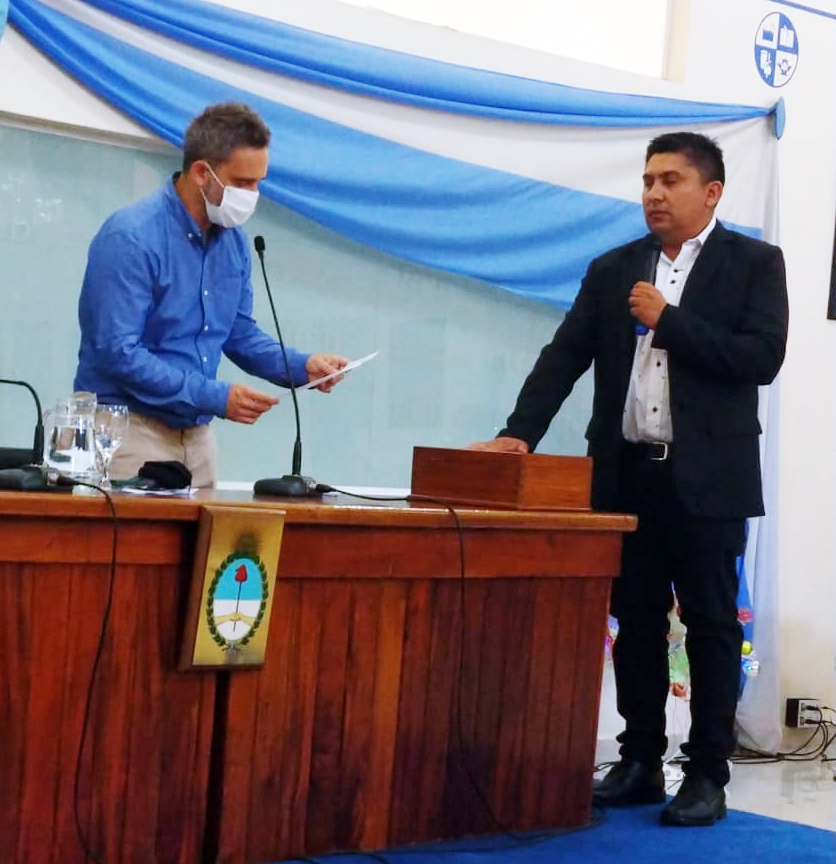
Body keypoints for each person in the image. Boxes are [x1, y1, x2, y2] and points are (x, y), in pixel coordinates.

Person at [469, 132, 788, 826]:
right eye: (647, 181)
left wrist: (668, 322)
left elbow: (761, 358)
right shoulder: (613, 268)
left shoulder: (754, 264)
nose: (653, 193)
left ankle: (705, 774)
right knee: (636, 621)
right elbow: (564, 356)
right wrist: (519, 431)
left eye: (671, 180)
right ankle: (640, 759)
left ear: (711, 192)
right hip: (626, 474)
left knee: (709, 625)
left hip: (708, 479)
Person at [74, 102, 348, 487]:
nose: (253, 195)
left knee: (211, 531)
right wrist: (216, 396)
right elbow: (118, 352)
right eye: (242, 183)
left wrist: (302, 368)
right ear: (202, 173)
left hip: (198, 438)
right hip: (125, 433)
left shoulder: (233, 243)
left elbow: (239, 333)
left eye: (258, 183)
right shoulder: (131, 237)